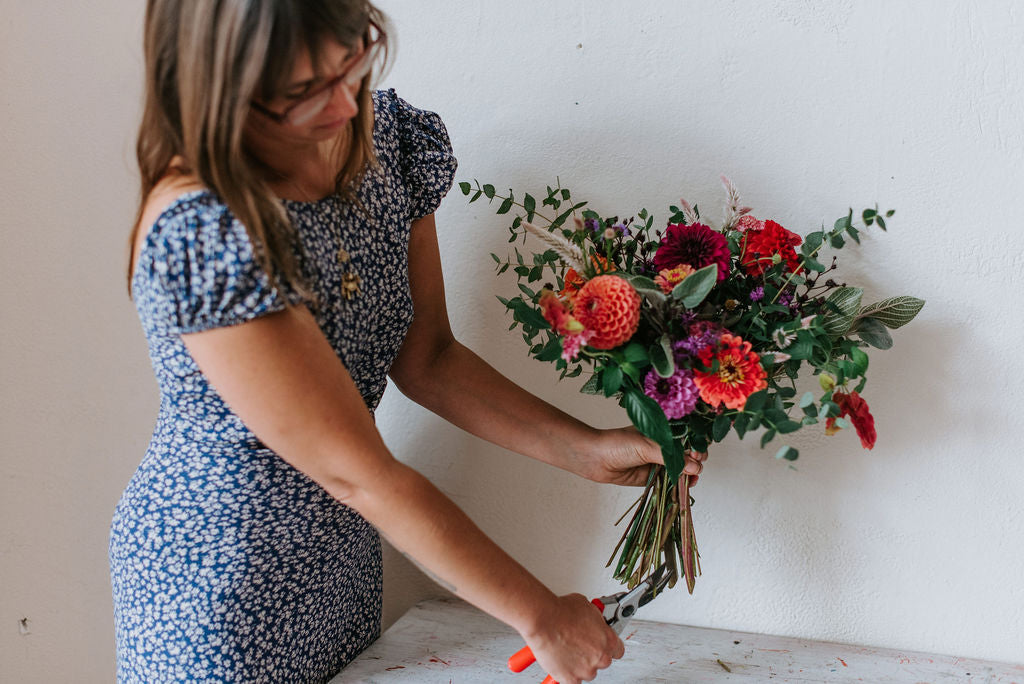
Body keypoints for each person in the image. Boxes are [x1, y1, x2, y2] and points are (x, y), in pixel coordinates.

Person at [109, 1, 707, 682]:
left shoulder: (385, 139)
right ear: (221, 90)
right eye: (303, 93)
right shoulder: (206, 230)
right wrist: (540, 616)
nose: (342, 104)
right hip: (218, 588)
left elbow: (429, 358)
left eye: (352, 65)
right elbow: (358, 472)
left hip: (343, 558)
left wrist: (586, 451)